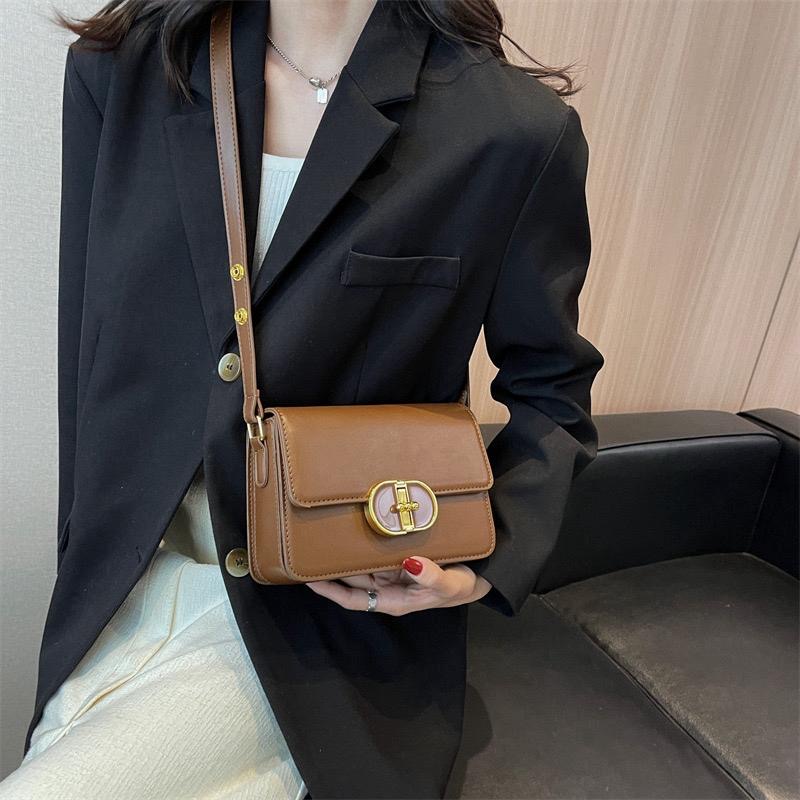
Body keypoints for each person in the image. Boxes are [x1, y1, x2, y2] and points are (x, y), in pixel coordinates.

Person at [0, 0, 605, 797]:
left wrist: (482, 569)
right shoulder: (124, 73)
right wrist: (82, 564)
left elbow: (552, 389)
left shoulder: (507, 131)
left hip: (326, 619)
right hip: (128, 585)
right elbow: (88, 354)